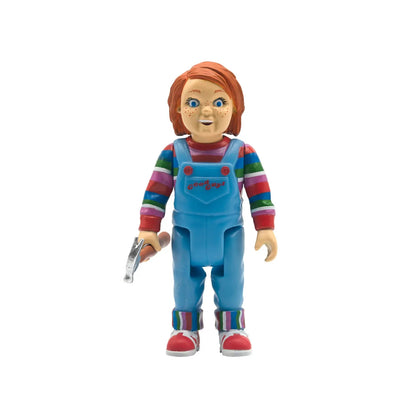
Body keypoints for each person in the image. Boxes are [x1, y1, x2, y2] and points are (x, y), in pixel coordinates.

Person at [138, 62, 277, 356]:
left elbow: (260, 192)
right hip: (185, 236)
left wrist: (265, 227)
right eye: (193, 102)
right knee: (184, 282)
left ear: (234, 108)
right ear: (178, 109)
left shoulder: (243, 153)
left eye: (219, 102)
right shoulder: (172, 153)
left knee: (232, 282)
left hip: (229, 235)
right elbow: (156, 192)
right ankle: (185, 329)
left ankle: (232, 328)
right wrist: (148, 228)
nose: (206, 111)